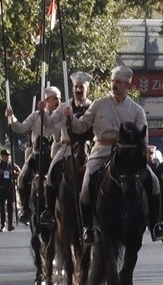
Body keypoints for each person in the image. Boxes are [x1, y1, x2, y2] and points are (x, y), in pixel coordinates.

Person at [64, 66, 163, 245]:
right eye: (113, 81)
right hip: (101, 152)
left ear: (128, 85)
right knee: (86, 188)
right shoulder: (99, 104)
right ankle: (88, 228)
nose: (114, 85)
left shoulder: (136, 110)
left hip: (127, 156)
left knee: (154, 182)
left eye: (118, 82)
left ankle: (156, 223)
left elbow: (144, 138)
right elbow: (81, 127)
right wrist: (70, 118)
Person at [43, 72, 93, 230]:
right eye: (76, 87)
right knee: (51, 174)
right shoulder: (64, 106)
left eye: (81, 87)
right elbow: (50, 123)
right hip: (66, 146)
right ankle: (49, 212)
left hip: (88, 146)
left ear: (87, 89)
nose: (78, 89)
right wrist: (43, 111)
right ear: (72, 89)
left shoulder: (93, 106)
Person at [7, 86, 61, 225]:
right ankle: (25, 208)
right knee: (21, 179)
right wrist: (11, 117)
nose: (58, 101)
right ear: (47, 100)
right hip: (36, 154)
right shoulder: (36, 115)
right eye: (55, 98)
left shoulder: (61, 115)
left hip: (55, 153)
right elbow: (21, 127)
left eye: (59, 98)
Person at [0, 150, 17, 231]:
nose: (7, 157)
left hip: (9, 187)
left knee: (10, 207)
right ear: (2, 156)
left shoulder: (11, 164)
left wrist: (13, 172)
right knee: (1, 207)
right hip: (1, 187)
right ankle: (2, 224)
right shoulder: (0, 165)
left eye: (7, 155)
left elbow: (17, 171)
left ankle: (10, 224)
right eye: (5, 155)